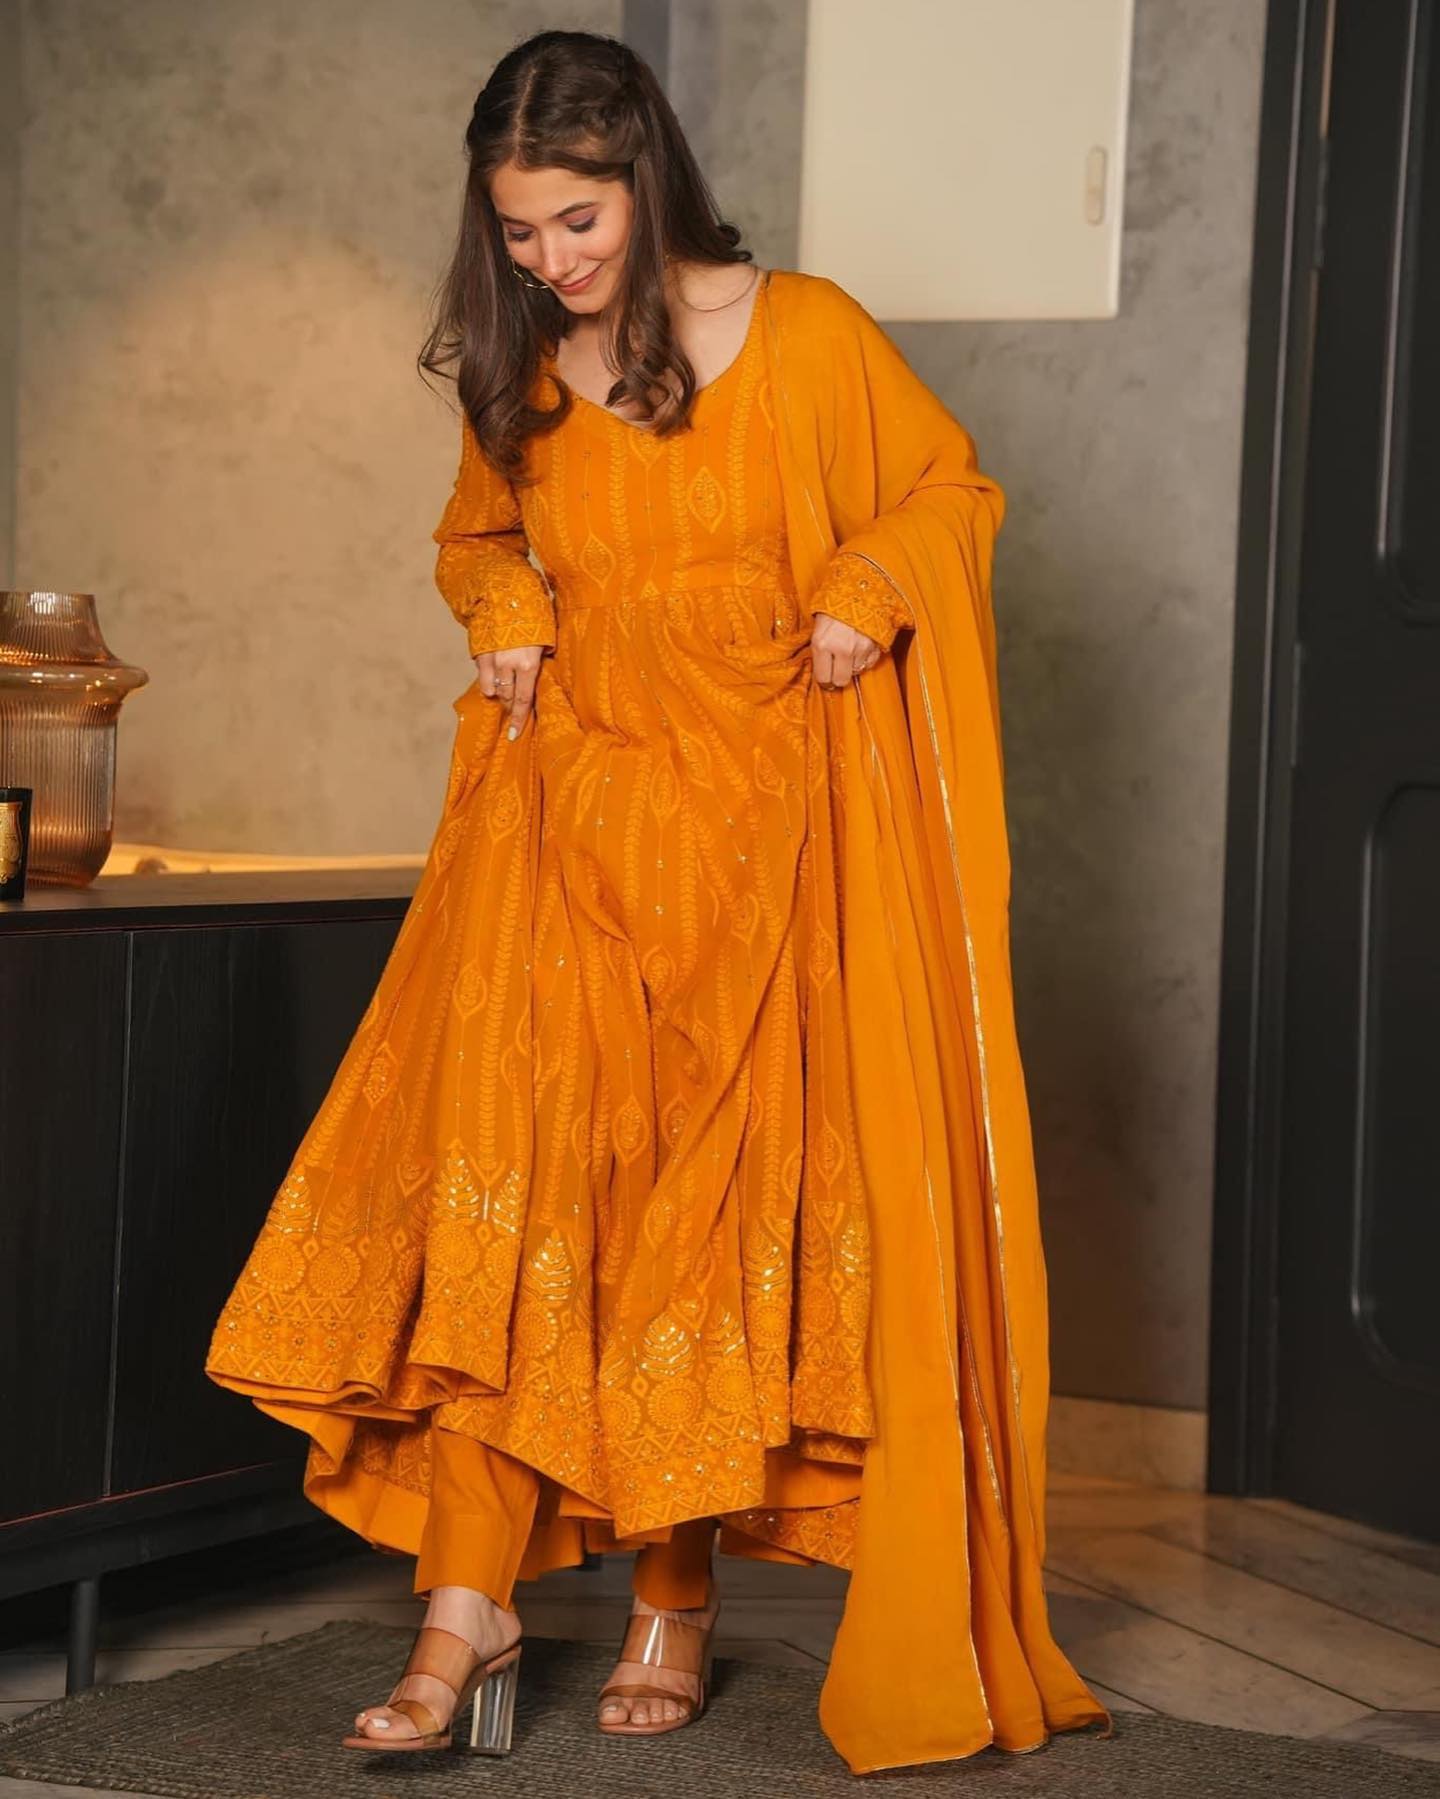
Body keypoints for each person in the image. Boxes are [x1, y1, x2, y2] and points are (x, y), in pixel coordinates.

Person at [205, 26, 1114, 1777]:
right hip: (559, 840)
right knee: (518, 1212)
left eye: (576, 221)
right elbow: (481, 540)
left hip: (766, 864)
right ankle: (459, 1615)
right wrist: (504, 611)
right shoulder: (520, 369)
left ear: (647, 178)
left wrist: (869, 579)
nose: (549, 259)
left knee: (690, 1228)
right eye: (520, 231)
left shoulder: (811, 335)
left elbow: (953, 490)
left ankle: (670, 1598)